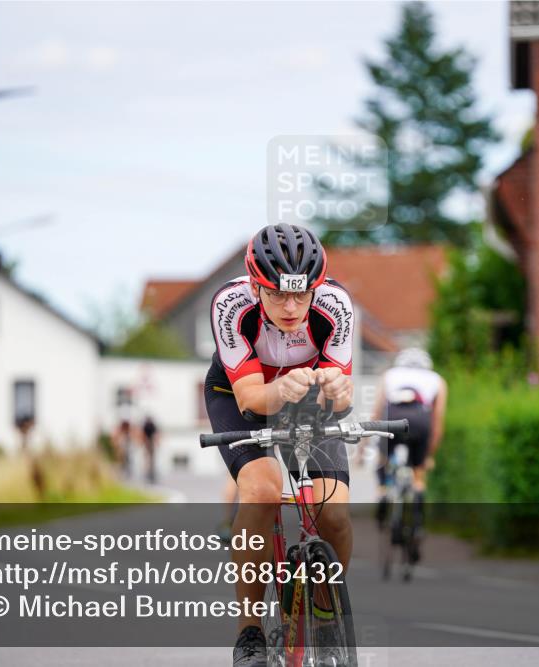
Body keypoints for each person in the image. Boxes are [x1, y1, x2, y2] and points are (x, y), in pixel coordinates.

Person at [204, 224, 354, 667]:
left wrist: (337, 391)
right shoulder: (230, 304)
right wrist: (284, 387)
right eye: (276, 295)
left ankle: (328, 610)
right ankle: (249, 631)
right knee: (263, 490)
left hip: (304, 395)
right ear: (255, 286)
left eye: (301, 295)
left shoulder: (335, 304)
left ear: (317, 287)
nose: (291, 307)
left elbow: (340, 397)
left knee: (335, 512)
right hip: (239, 392)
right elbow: (252, 401)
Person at [372, 347, 447, 561]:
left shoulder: (389, 375)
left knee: (384, 459)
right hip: (421, 420)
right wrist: (428, 456)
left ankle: (383, 491)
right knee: (418, 476)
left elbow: (377, 412)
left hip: (393, 417)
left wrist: (365, 448)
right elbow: (438, 421)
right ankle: (417, 526)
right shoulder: (437, 380)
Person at [141, 414, 159, 484]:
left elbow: (156, 434)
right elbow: (143, 434)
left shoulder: (152, 425)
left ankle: (151, 471)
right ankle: (147, 471)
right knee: (147, 457)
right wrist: (144, 442)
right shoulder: (146, 425)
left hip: (151, 441)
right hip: (147, 441)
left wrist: (156, 442)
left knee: (151, 458)